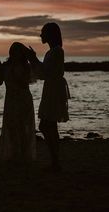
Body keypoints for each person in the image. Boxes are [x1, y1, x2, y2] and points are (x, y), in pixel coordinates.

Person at [27, 22, 70, 172]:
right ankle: (55, 161)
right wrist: (34, 60)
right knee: (49, 125)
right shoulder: (53, 51)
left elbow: (45, 73)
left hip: (54, 90)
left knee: (46, 125)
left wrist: (33, 59)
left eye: (43, 32)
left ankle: (55, 161)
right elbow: (44, 73)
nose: (41, 35)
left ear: (50, 34)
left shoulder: (56, 51)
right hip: (52, 89)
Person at [0, 42, 36, 162]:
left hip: (23, 99)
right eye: (12, 52)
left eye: (16, 52)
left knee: (23, 127)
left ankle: (24, 155)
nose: (14, 54)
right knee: (11, 127)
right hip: (11, 100)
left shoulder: (25, 66)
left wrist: (14, 75)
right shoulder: (6, 66)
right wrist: (1, 72)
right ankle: (14, 154)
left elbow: (25, 83)